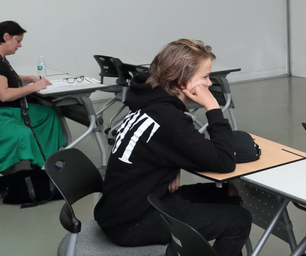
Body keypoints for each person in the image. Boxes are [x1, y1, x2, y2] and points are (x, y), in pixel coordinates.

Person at [94, 39, 251, 256]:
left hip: (129, 205)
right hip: (132, 222)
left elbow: (164, 146)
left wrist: (173, 164)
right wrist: (213, 107)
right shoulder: (169, 118)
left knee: (228, 192)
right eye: (205, 77)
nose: (209, 84)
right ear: (181, 81)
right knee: (239, 220)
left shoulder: (149, 102)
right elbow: (224, 161)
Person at [0, 21, 64, 196]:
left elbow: (6, 78)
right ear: (6, 37)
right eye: (18, 40)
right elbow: (3, 95)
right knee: (22, 133)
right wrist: (35, 87)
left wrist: (29, 78)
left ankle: (44, 162)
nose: (20, 45)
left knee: (47, 114)